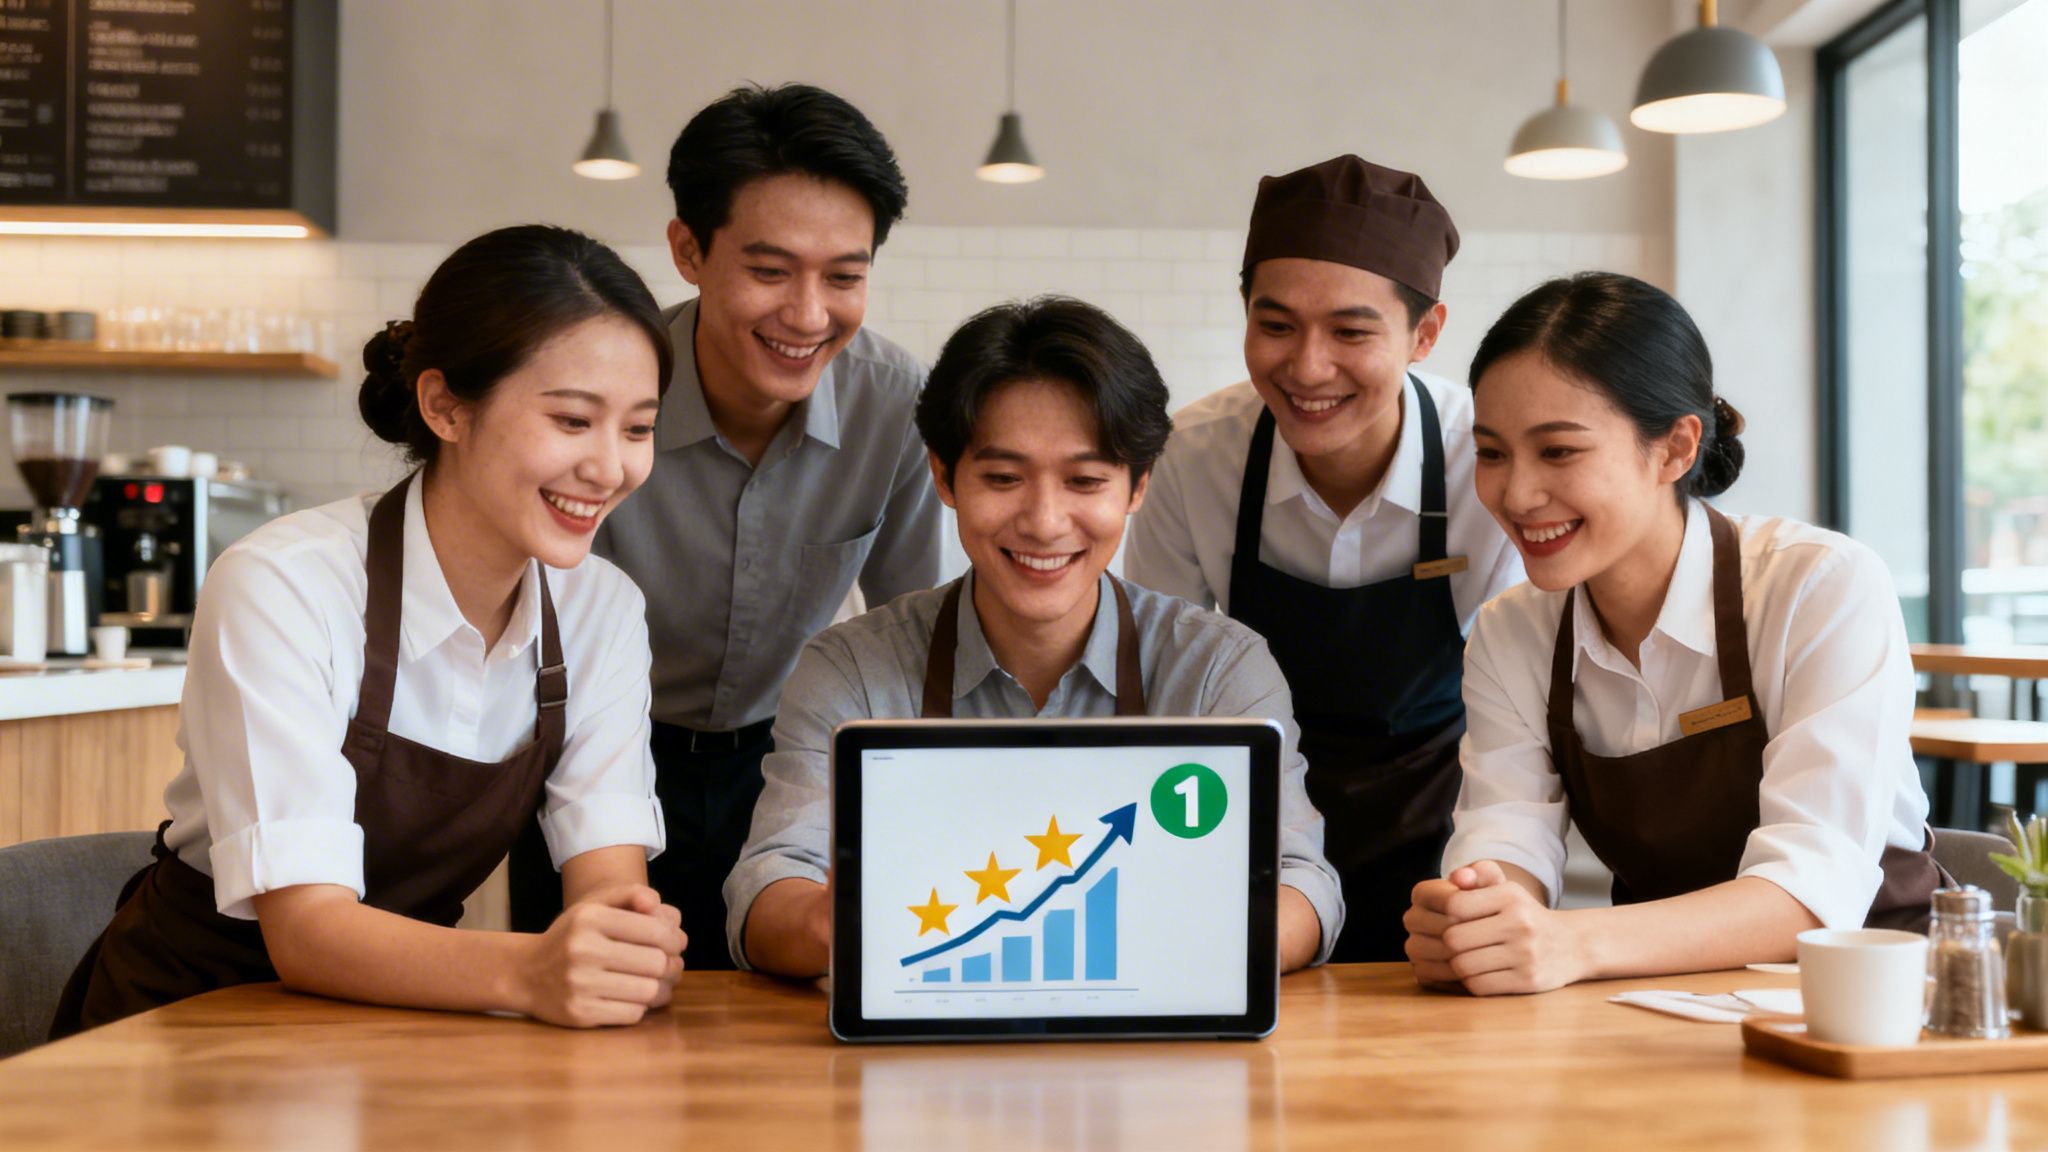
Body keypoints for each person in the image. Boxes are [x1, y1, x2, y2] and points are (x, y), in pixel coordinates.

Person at [51, 225, 687, 1036]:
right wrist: (533, 968)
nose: (611, 468)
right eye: (572, 421)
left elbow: (607, 883)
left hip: (403, 1020)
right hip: (185, 1023)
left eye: (638, 429)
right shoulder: (285, 584)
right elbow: (309, 932)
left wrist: (622, 948)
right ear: (444, 405)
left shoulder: (603, 611)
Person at [726, 296, 1343, 977]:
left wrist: (1166, 946)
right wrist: (827, 925)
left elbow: (1301, 882)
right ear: (942, 476)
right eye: (1002, 478)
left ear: (1137, 487)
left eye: (1085, 480)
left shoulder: (1219, 666)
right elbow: (769, 881)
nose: (1045, 522)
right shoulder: (851, 668)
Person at [1405, 272, 1943, 996]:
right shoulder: (1512, 633)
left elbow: (1814, 888)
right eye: (1493, 453)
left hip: (1870, 1008)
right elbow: (1506, 839)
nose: (1516, 494)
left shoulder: (1819, 587)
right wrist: (1480, 916)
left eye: (1559, 451)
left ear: (1675, 448)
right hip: (1655, 1004)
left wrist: (1571, 942)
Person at [508, 84, 945, 968]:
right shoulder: (605, 399)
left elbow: (921, 635)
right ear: (688, 251)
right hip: (581, 758)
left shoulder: (897, 406)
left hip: (784, 769)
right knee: (592, 1014)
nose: (809, 314)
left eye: (845, 276)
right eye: (770, 270)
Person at [1125, 156, 1522, 961]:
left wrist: (1500, 886)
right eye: (1276, 326)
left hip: (1444, 843)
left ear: (1426, 333)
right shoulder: (1193, 459)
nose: (1307, 368)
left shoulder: (1488, 461)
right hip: (1250, 841)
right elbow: (1159, 693)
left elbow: (1518, 698)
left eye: (1350, 331)